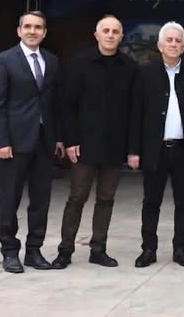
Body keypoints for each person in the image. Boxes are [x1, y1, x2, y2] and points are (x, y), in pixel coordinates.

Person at [52, 15, 137, 268]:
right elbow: (68, 105)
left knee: (106, 199)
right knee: (77, 198)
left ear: (121, 36)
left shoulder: (129, 67)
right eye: (106, 30)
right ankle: (65, 250)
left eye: (115, 31)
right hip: (84, 145)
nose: (110, 35)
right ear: (96, 35)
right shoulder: (79, 63)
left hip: (114, 145)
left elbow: (134, 110)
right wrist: (70, 141)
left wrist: (132, 148)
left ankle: (98, 250)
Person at [0, 10, 64, 273]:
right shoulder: (4, 60)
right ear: (19, 31)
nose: (33, 31)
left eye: (38, 27)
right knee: (10, 199)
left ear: (45, 32)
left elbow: (54, 103)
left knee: (41, 200)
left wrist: (58, 138)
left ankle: (34, 250)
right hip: (14, 143)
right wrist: (1, 141)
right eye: (28, 26)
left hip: (44, 141)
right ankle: (10, 251)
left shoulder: (52, 61)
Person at [129, 22, 184, 268]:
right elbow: (136, 113)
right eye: (169, 40)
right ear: (160, 45)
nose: (173, 44)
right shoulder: (145, 73)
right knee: (151, 201)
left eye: (178, 41)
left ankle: (180, 249)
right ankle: (148, 249)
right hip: (155, 150)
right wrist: (134, 150)